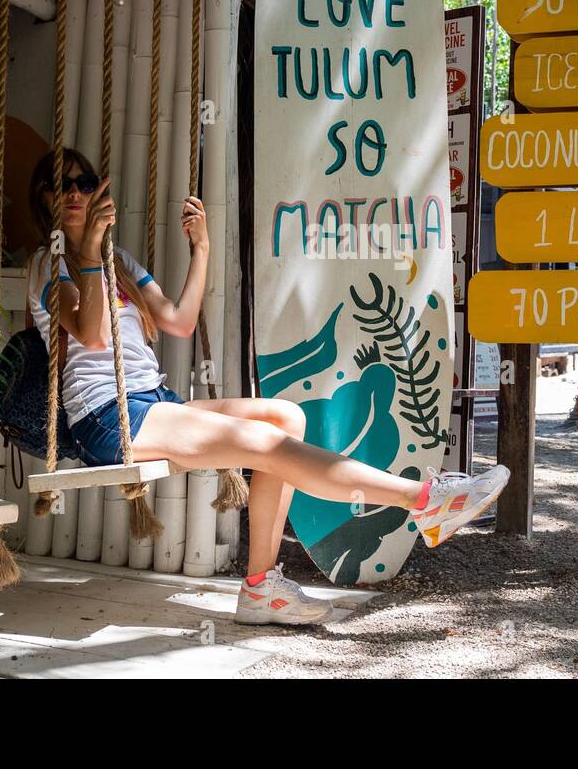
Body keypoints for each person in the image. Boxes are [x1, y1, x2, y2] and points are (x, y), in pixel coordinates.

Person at [26, 148, 509, 625]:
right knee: (268, 445)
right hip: (105, 415)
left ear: (96, 191)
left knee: (285, 416)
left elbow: (180, 320)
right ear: (43, 198)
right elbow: (91, 334)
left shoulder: (119, 262)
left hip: (152, 400)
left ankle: (260, 587)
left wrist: (202, 251)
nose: (73, 192)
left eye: (83, 183)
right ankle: (422, 499)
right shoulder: (48, 265)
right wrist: (87, 252)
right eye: (60, 184)